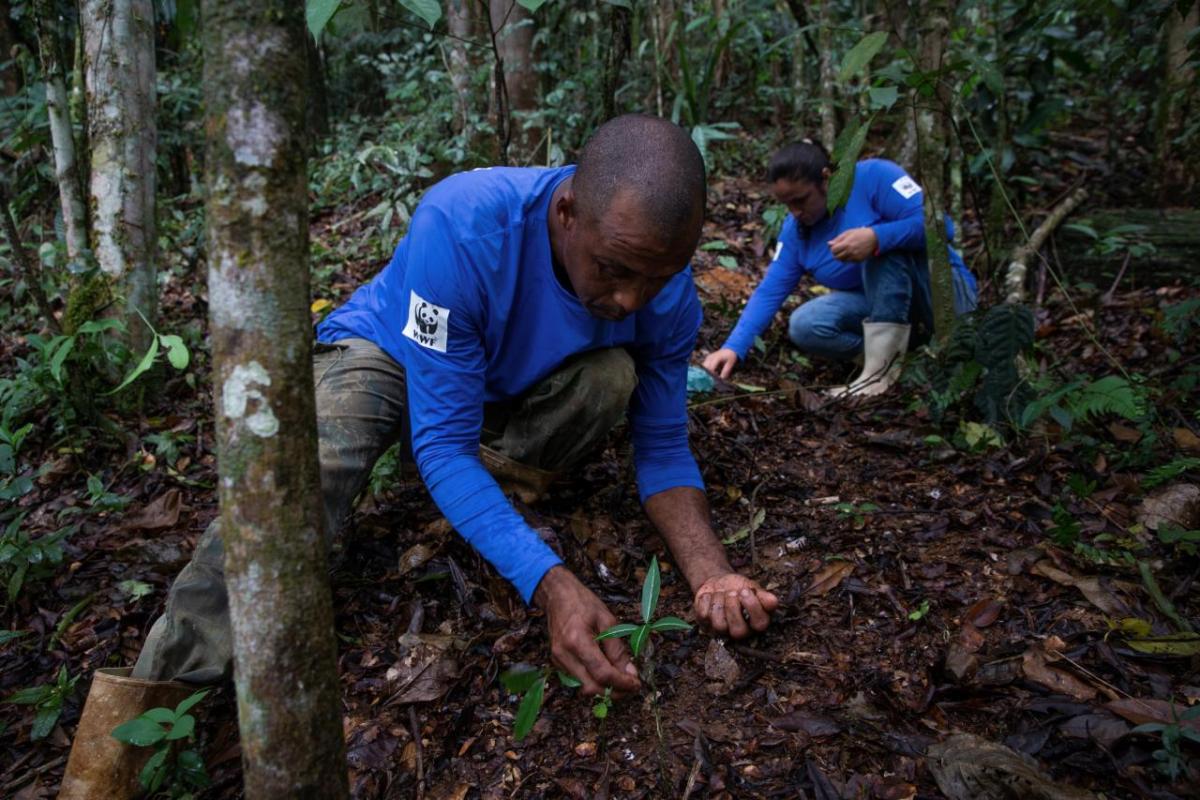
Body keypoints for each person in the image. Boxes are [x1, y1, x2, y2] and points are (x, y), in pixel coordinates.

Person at [60, 115, 779, 798]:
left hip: (501, 388)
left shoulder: (662, 291)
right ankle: (139, 720)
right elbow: (440, 442)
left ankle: (478, 505)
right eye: (615, 268)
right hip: (395, 355)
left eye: (657, 276)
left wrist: (711, 572)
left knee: (609, 377)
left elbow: (660, 447)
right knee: (311, 464)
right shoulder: (467, 223)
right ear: (566, 214)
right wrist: (552, 583)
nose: (631, 298)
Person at [702, 140, 977, 396]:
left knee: (884, 248)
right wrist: (733, 347)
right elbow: (770, 290)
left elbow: (943, 227)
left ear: (826, 178)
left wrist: (876, 238)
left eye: (801, 200)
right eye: (787, 204)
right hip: (884, 311)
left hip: (943, 298)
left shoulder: (874, 177)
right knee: (805, 324)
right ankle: (896, 362)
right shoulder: (797, 231)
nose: (795, 211)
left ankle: (879, 375)